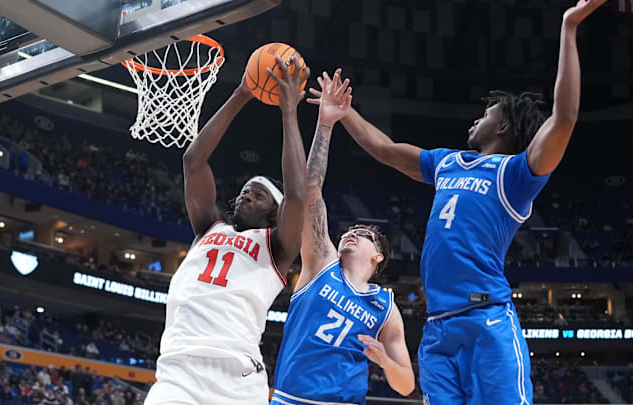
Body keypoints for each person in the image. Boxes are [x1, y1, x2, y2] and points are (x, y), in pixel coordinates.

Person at [311, 1, 607, 403]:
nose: (476, 118)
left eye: (486, 113)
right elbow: (384, 149)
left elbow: (565, 117)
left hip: (486, 319)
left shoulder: (517, 175)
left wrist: (569, 28)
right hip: (437, 329)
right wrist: (344, 114)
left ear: (502, 126)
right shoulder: (448, 162)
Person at [144, 56, 309, 405]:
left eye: (259, 193)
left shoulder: (277, 247)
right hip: (179, 373)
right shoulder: (208, 227)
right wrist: (241, 93)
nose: (247, 193)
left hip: (238, 377)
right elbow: (193, 161)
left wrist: (288, 111)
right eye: (246, 189)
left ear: (274, 214)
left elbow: (297, 194)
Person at [272, 70, 414, 405]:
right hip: (292, 400)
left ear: (377, 256)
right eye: (349, 231)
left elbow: (406, 385)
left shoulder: (386, 308)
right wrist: (325, 125)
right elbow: (309, 190)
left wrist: (383, 361)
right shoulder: (321, 262)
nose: (351, 234)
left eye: (362, 235)